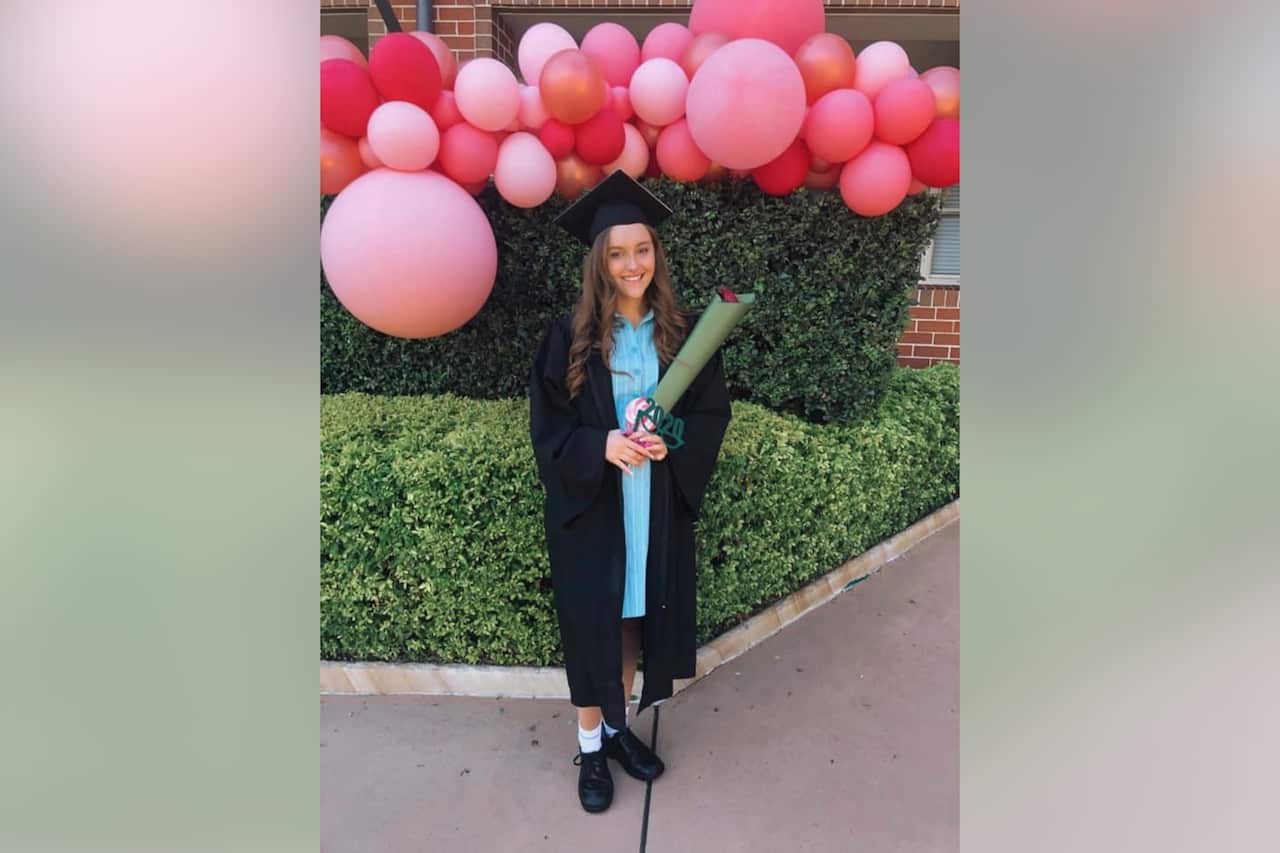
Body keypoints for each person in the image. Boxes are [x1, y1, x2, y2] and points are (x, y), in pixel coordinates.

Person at [528, 171, 733, 814]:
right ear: (599, 261)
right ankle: (591, 746)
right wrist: (601, 445)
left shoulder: (682, 333)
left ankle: (618, 732)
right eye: (616, 253)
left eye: (640, 249)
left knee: (629, 628)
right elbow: (548, 432)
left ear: (656, 254)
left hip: (653, 512)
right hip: (594, 513)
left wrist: (670, 438)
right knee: (594, 629)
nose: (630, 264)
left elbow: (707, 415)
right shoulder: (569, 338)